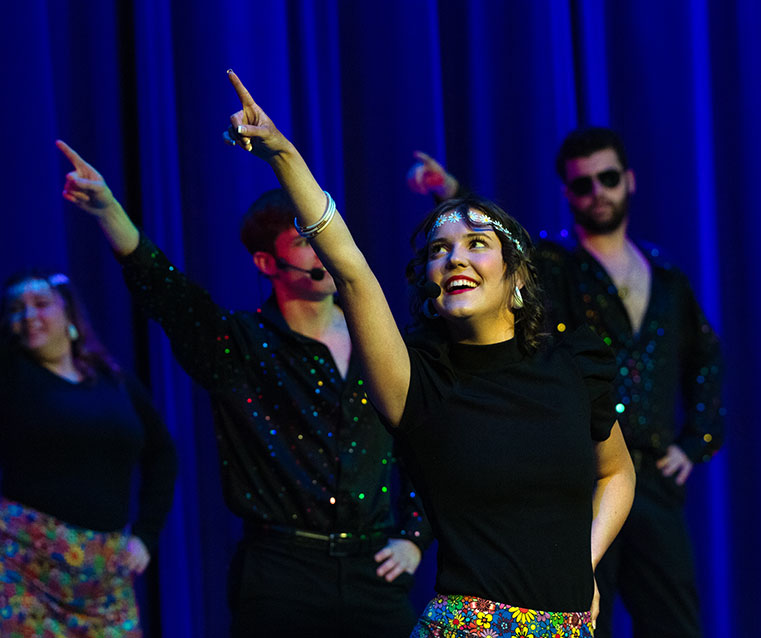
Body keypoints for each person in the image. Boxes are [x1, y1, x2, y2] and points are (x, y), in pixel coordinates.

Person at [223, 70, 636, 638]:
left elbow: (616, 473)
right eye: (440, 250)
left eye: (477, 244)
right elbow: (349, 267)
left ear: (516, 278)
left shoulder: (572, 364)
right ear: (433, 285)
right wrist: (283, 154)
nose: (455, 258)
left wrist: (579, 564)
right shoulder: (420, 379)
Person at [57, 141, 431, 638]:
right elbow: (167, 291)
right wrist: (107, 209)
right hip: (282, 573)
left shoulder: (380, 337)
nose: (319, 246)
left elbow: (426, 439)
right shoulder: (239, 346)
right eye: (302, 238)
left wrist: (415, 535)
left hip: (374, 570)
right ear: (266, 262)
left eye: (319, 231)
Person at [408, 127, 724, 638]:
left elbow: (706, 355)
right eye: (583, 185)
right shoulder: (555, 266)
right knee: (581, 616)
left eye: (608, 178)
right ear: (567, 194)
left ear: (630, 181)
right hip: (573, 479)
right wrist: (453, 196)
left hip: (650, 476)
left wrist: (698, 440)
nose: (597, 192)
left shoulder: (666, 274)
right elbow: (494, 268)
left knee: (676, 623)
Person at [0, 269, 177, 637]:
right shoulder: (12, 376)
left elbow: (162, 454)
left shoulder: (114, 382)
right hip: (24, 568)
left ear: (68, 311)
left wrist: (146, 535)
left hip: (105, 574)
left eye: (41, 304)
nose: (29, 316)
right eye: (16, 309)